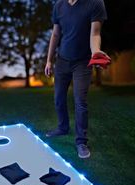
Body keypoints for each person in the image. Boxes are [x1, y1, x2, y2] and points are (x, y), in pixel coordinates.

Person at [45, 0, 109, 158]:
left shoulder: (95, 3)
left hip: (83, 62)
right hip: (62, 60)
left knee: (80, 101)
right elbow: (55, 34)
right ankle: (62, 127)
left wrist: (96, 52)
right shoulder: (59, 5)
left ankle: (81, 141)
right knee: (59, 98)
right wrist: (48, 60)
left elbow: (95, 33)